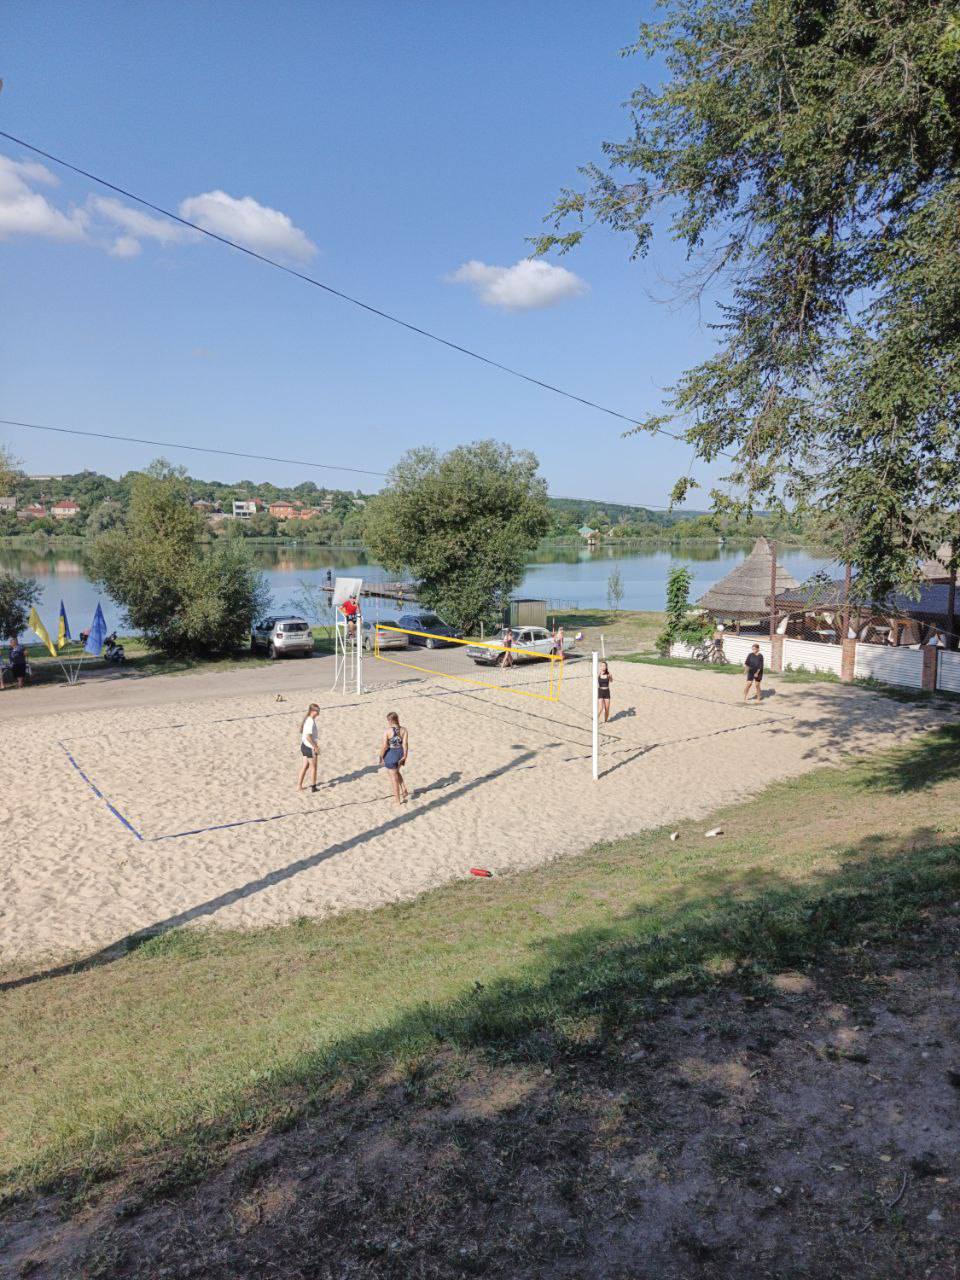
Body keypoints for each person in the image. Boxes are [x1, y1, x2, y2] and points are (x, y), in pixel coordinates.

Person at [379, 711, 409, 804]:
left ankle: (397, 800)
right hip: (400, 753)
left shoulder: (387, 731)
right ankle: (403, 787)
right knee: (396, 772)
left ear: (390, 720)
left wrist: (381, 756)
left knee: (393, 779)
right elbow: (405, 744)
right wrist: (405, 756)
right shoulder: (404, 730)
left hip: (391, 754)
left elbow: (385, 746)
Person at [298, 703, 320, 791]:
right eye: (317, 711)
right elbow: (308, 736)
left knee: (305, 766)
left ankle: (299, 786)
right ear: (312, 711)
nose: (318, 713)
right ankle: (313, 787)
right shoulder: (310, 721)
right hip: (309, 747)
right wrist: (315, 747)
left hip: (304, 745)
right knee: (313, 767)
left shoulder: (307, 719)